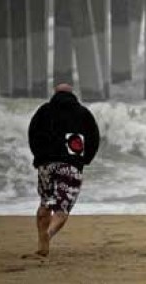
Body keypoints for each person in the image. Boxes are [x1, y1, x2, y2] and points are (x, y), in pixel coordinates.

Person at [28, 83, 100, 257]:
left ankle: (41, 243)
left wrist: (40, 157)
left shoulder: (43, 111)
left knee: (46, 202)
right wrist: (84, 160)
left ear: (55, 93)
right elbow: (94, 138)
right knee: (62, 209)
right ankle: (48, 234)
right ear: (72, 94)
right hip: (70, 165)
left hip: (47, 164)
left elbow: (32, 135)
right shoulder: (83, 113)